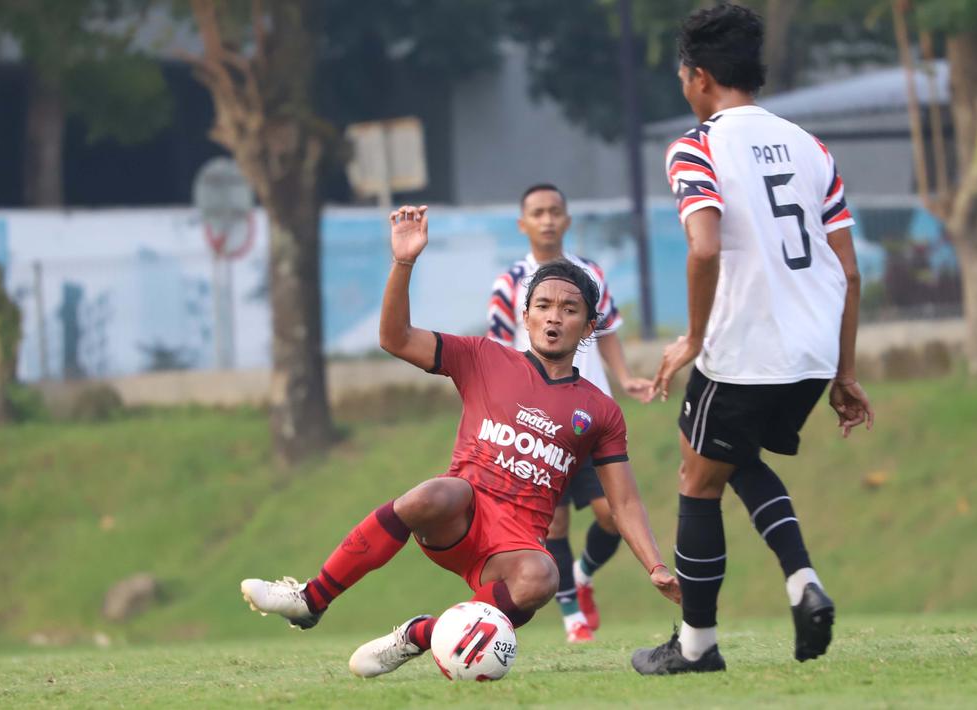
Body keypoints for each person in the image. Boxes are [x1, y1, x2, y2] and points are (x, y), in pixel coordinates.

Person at [241, 205, 680, 679]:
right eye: (544, 307)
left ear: (588, 327)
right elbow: (394, 337)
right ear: (526, 316)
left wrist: (654, 565)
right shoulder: (483, 357)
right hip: (459, 518)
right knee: (438, 490)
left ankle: (422, 635)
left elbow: (625, 501)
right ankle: (311, 599)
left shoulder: (599, 409)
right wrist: (404, 262)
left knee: (544, 576)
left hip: (515, 545)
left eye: (569, 309)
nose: (555, 318)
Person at [630, 4, 874, 675]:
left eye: (683, 75)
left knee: (695, 477)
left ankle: (696, 647)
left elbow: (703, 249)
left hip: (743, 348)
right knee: (730, 461)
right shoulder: (810, 146)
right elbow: (848, 270)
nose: (683, 86)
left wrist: (690, 340)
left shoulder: (696, 144)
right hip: (810, 349)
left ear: (700, 77)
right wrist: (843, 373)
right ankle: (802, 582)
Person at [488, 184, 653, 643]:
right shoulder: (509, 284)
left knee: (612, 516)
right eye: (537, 213)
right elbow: (498, 359)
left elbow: (610, 330)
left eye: (555, 211)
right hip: (537, 426)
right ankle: (572, 618)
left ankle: (581, 574)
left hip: (588, 421)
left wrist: (623, 378)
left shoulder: (591, 273)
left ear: (567, 220)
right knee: (554, 523)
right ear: (523, 224)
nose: (547, 220)